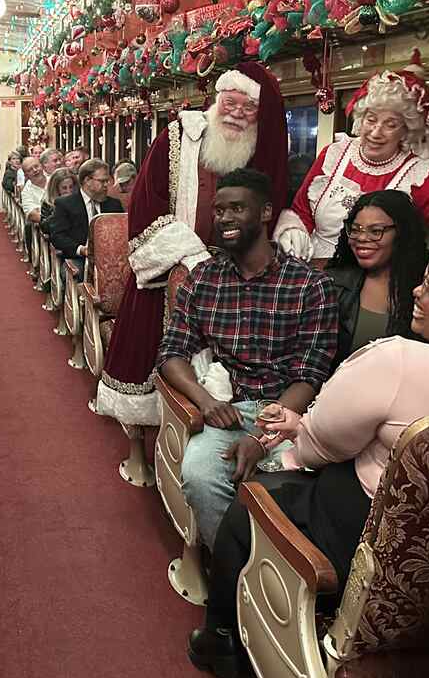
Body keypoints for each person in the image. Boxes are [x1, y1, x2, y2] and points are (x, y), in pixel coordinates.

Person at [188, 224, 429, 678]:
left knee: (251, 505)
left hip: (367, 535)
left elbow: (320, 445)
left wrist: (296, 432)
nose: (418, 293)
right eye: (425, 279)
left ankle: (223, 640)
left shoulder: (397, 361)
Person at [93, 65, 291, 429]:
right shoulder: (178, 137)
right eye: (230, 102)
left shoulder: (262, 149)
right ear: (217, 99)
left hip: (241, 284)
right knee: (150, 364)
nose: (236, 113)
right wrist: (193, 258)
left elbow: (276, 201)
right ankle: (147, 444)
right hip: (171, 274)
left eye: (248, 108)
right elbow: (145, 206)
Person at [157, 169, 338, 548]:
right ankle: (231, 576)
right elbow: (172, 352)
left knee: (301, 491)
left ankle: (276, 587)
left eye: (237, 208)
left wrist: (263, 436)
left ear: (266, 212)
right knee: (200, 476)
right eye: (219, 210)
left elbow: (310, 373)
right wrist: (207, 402)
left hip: (290, 413)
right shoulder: (203, 278)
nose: (224, 218)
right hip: (228, 407)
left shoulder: (309, 284)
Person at [275, 51, 429, 263]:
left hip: (369, 287)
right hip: (314, 272)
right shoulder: (334, 154)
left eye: (391, 124)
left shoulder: (417, 175)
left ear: (406, 130)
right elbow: (301, 209)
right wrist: (293, 232)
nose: (376, 132)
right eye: (371, 120)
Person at [326, 190, 428, 366]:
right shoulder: (332, 285)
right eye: (356, 230)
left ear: (402, 234)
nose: (362, 238)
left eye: (376, 231)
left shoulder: (425, 290)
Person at [47, 159, 123, 276]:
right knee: (76, 273)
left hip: (110, 259)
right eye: (102, 181)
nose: (106, 185)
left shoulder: (114, 205)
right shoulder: (65, 204)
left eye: (107, 181)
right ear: (87, 180)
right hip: (78, 258)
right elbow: (57, 236)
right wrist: (81, 250)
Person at [40, 168, 79, 234]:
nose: (68, 191)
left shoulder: (79, 200)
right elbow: (45, 227)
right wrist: (60, 208)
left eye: (71, 187)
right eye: (64, 188)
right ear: (56, 188)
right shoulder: (47, 203)